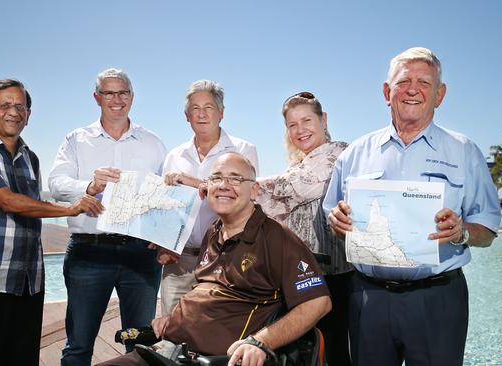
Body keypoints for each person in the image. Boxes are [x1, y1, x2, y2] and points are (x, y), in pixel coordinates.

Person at [324, 47, 502, 365]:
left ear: (439, 95)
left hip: (439, 299)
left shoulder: (465, 152)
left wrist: (462, 232)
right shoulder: (354, 154)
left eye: (424, 82)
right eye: (404, 81)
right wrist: (337, 223)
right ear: (386, 91)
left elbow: (487, 230)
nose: (412, 90)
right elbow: (333, 219)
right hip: (368, 298)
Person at [99, 152, 331, 366]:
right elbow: (209, 289)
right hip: (167, 348)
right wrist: (176, 319)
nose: (223, 185)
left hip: (211, 359)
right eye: (216, 178)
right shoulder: (214, 230)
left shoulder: (276, 238)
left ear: (254, 190)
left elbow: (318, 303)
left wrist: (260, 342)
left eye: (235, 179)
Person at [0, 79, 104, 366]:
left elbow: (28, 208)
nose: (14, 112)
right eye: (5, 105)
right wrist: (70, 209)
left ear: (28, 114)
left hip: (27, 282)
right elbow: (6, 200)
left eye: (21, 106)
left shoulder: (29, 157)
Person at [48, 68, 167, 364]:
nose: (117, 99)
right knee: (78, 346)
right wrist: (89, 184)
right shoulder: (77, 139)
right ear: (97, 98)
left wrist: (167, 239)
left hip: (141, 254)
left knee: (140, 345)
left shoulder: (153, 142)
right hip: (89, 253)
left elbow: (167, 198)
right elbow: (55, 184)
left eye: (123, 92)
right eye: (109, 93)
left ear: (132, 97)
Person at [255, 91, 351, 365]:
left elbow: (289, 189)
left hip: (335, 277)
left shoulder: (338, 154)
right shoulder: (298, 164)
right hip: (303, 275)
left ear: (324, 120)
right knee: (305, 353)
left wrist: (224, 182)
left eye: (306, 120)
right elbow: (271, 207)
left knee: (334, 353)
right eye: (291, 125)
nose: (300, 130)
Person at [158, 79, 259, 316]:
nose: (202, 114)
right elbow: (166, 208)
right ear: (186, 115)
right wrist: (164, 243)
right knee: (171, 335)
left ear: (221, 113)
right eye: (195, 108)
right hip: (179, 262)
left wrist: (196, 183)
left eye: (209, 107)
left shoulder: (243, 150)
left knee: (216, 336)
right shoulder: (174, 156)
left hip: (225, 261)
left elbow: (246, 200)